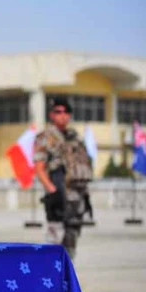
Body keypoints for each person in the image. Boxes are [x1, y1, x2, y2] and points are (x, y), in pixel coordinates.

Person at [34, 98, 93, 259]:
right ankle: (51, 278)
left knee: (71, 241)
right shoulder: (45, 137)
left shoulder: (75, 138)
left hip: (76, 197)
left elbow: (83, 165)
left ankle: (67, 278)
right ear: (51, 115)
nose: (63, 115)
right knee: (55, 241)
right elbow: (39, 168)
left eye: (66, 112)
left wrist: (85, 197)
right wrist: (52, 190)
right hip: (58, 194)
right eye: (58, 112)